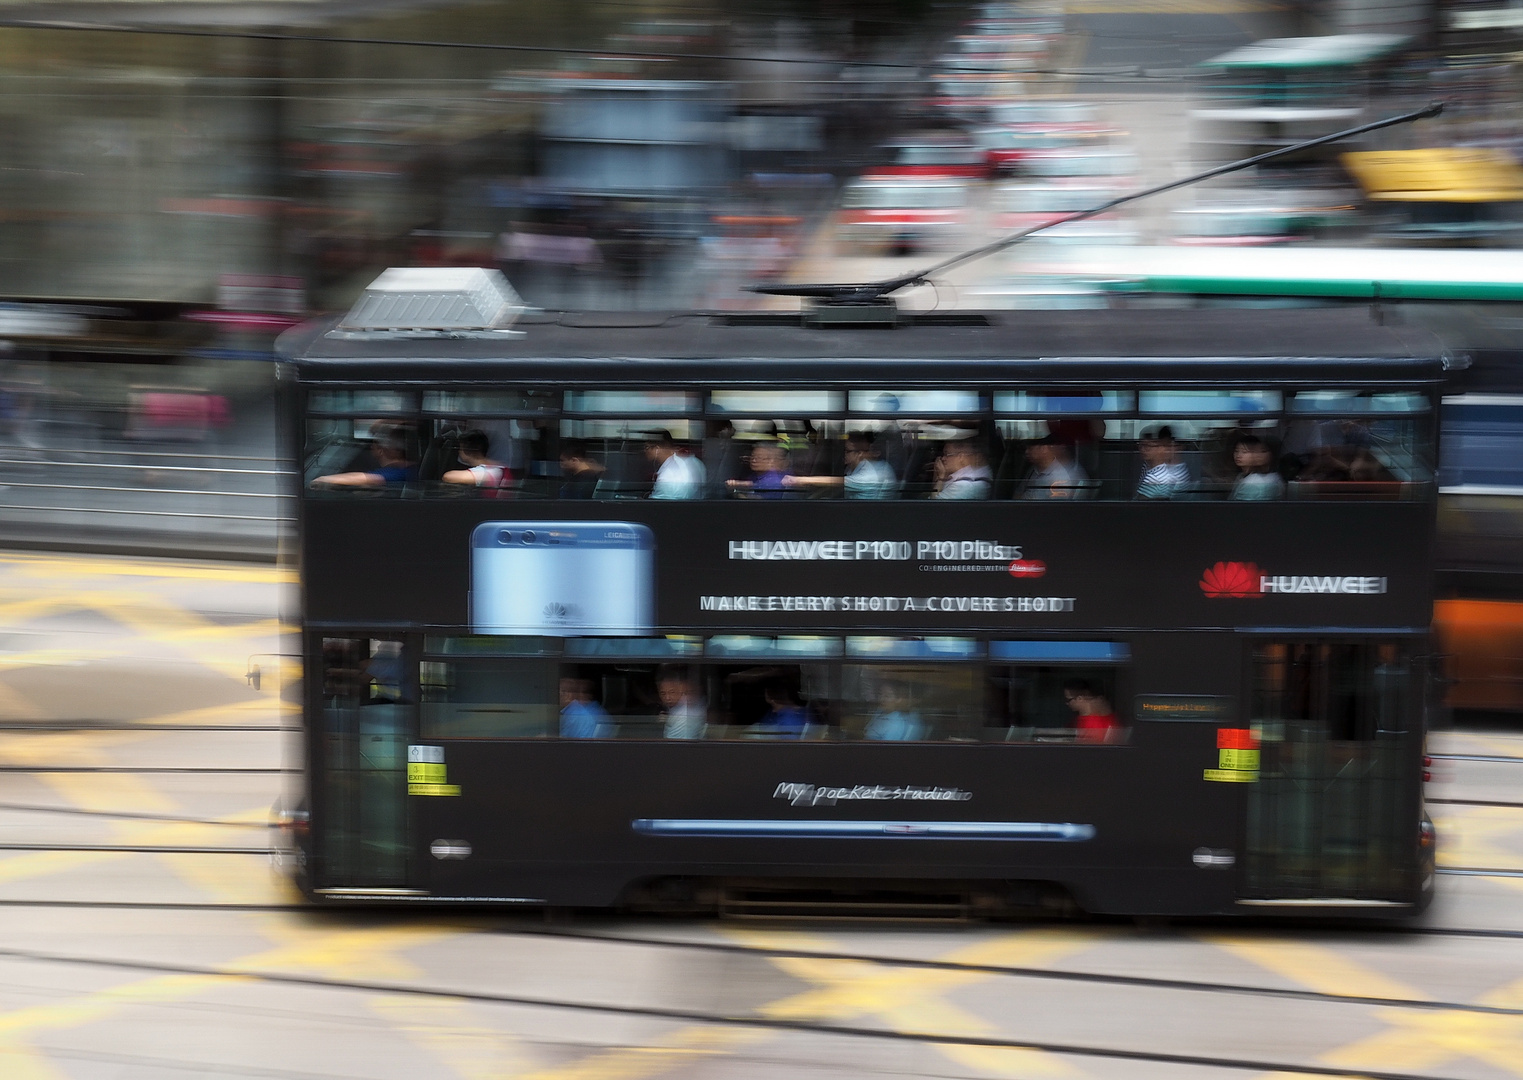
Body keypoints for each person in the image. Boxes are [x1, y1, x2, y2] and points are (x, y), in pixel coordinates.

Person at [781, 431, 898, 498]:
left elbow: (837, 482)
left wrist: (801, 480)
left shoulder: (868, 476)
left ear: (859, 454)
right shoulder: (853, 467)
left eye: (847, 451)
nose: (843, 454)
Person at [312, 430, 417, 488]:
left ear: (380, 450)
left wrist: (323, 480)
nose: (371, 447)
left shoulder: (398, 472)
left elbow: (367, 478)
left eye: (374, 444)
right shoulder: (409, 466)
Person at [441, 429, 512, 491]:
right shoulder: (495, 466)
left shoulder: (485, 472)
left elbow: (448, 477)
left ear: (468, 450)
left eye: (461, 448)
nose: (459, 451)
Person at [645, 429, 705, 499]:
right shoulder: (695, 461)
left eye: (646, 447)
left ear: (657, 449)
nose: (644, 451)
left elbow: (657, 505)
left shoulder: (667, 474)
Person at [1022, 436, 1087, 499]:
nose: (1026, 452)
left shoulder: (1060, 478)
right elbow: (1018, 494)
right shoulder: (1033, 470)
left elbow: (1053, 507)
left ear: (1044, 448)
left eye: (1030, 448)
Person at [1136, 426, 1190, 499]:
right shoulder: (1147, 465)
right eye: (1140, 445)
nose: (1142, 449)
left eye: (1147, 446)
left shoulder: (1155, 478)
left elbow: (1138, 505)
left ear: (1160, 448)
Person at [727, 441, 792, 499]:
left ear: (770, 461)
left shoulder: (772, 481)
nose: (754, 460)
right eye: (752, 456)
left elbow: (758, 502)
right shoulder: (754, 475)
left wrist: (736, 492)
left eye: (759, 458)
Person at [1064, 679, 1122, 744]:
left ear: (1079, 699)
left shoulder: (1093, 724)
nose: (1066, 703)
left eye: (1068, 699)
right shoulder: (1077, 721)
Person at [1231, 433, 1284, 500]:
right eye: (1236, 451)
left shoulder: (1254, 482)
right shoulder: (1242, 475)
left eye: (1244, 452)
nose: (1238, 455)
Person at [658, 667, 706, 739]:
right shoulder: (677, 705)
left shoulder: (685, 715)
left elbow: (674, 745)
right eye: (663, 693)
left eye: (672, 692)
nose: (667, 697)